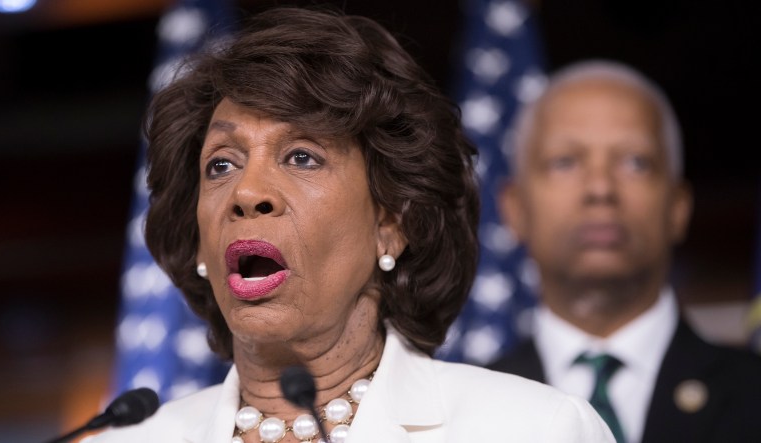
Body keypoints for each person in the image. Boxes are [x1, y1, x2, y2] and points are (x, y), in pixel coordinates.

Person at [84, 7, 614, 443]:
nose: (247, 193)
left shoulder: (533, 429)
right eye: (221, 164)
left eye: (301, 157)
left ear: (392, 222)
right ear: (199, 243)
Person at [486, 59, 761, 443]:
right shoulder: (464, 410)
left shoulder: (753, 395)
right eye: (565, 162)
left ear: (679, 208)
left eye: (635, 162)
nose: (600, 188)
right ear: (514, 208)